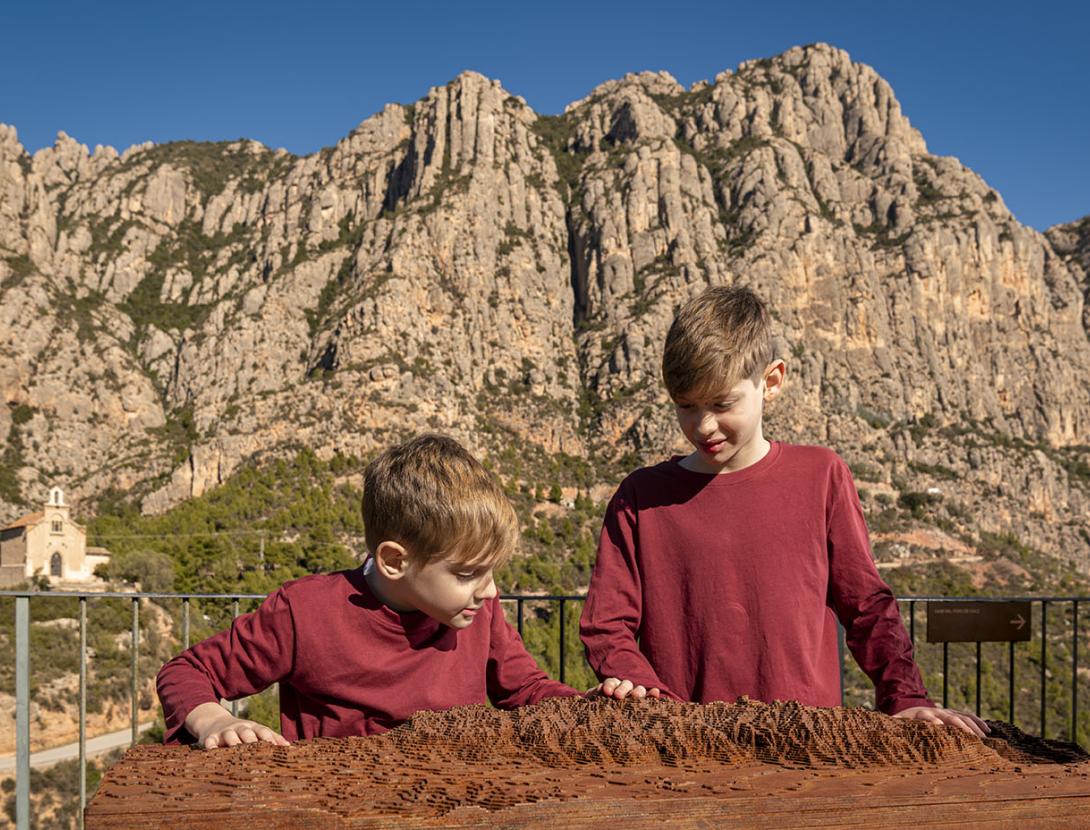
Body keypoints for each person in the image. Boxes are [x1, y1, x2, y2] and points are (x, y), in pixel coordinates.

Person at [579, 286, 988, 737]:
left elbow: (867, 606)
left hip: (808, 750)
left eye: (721, 403)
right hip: (685, 750)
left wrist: (904, 696)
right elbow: (607, 626)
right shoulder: (639, 495)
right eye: (686, 406)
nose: (703, 425)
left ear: (770, 382)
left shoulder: (822, 476)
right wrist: (645, 695)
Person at [158, 434, 585, 748]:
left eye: (491, 573)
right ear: (395, 561)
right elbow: (186, 672)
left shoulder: (479, 616)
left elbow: (526, 690)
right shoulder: (305, 612)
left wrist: (595, 703)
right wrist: (213, 720)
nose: (490, 593)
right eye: (469, 573)